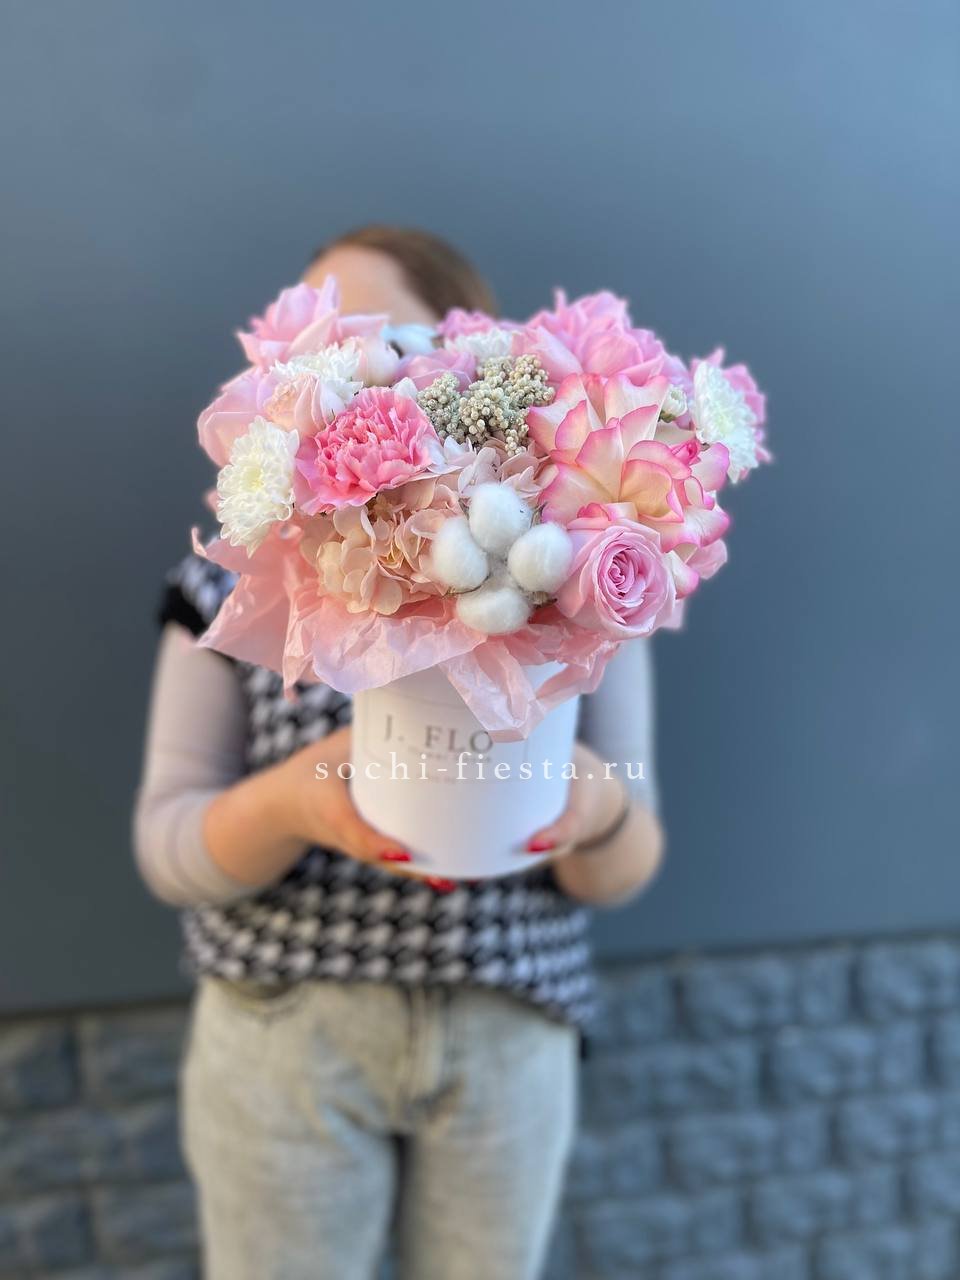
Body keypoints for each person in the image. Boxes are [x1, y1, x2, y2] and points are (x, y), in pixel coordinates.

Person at [133, 224, 665, 1280]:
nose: (348, 377)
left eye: (377, 342)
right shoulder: (228, 581)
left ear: (474, 357)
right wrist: (293, 802)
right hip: (285, 1026)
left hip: (510, 1025)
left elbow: (628, 850)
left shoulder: (585, 571)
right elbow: (168, 845)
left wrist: (601, 807)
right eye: (317, 351)